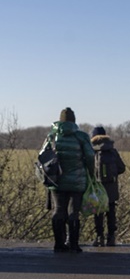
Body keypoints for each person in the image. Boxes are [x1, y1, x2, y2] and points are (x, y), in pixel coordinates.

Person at [46, 107, 95, 253]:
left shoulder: (52, 136)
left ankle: (58, 244)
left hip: (56, 180)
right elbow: (91, 156)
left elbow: (43, 156)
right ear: (74, 120)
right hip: (77, 180)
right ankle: (74, 244)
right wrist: (91, 174)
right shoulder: (81, 136)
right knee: (74, 211)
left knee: (58, 210)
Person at [90, 126, 126, 247]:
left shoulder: (91, 151)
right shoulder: (112, 151)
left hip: (97, 187)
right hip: (111, 188)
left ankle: (99, 237)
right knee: (111, 212)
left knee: (98, 213)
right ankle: (111, 237)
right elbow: (122, 168)